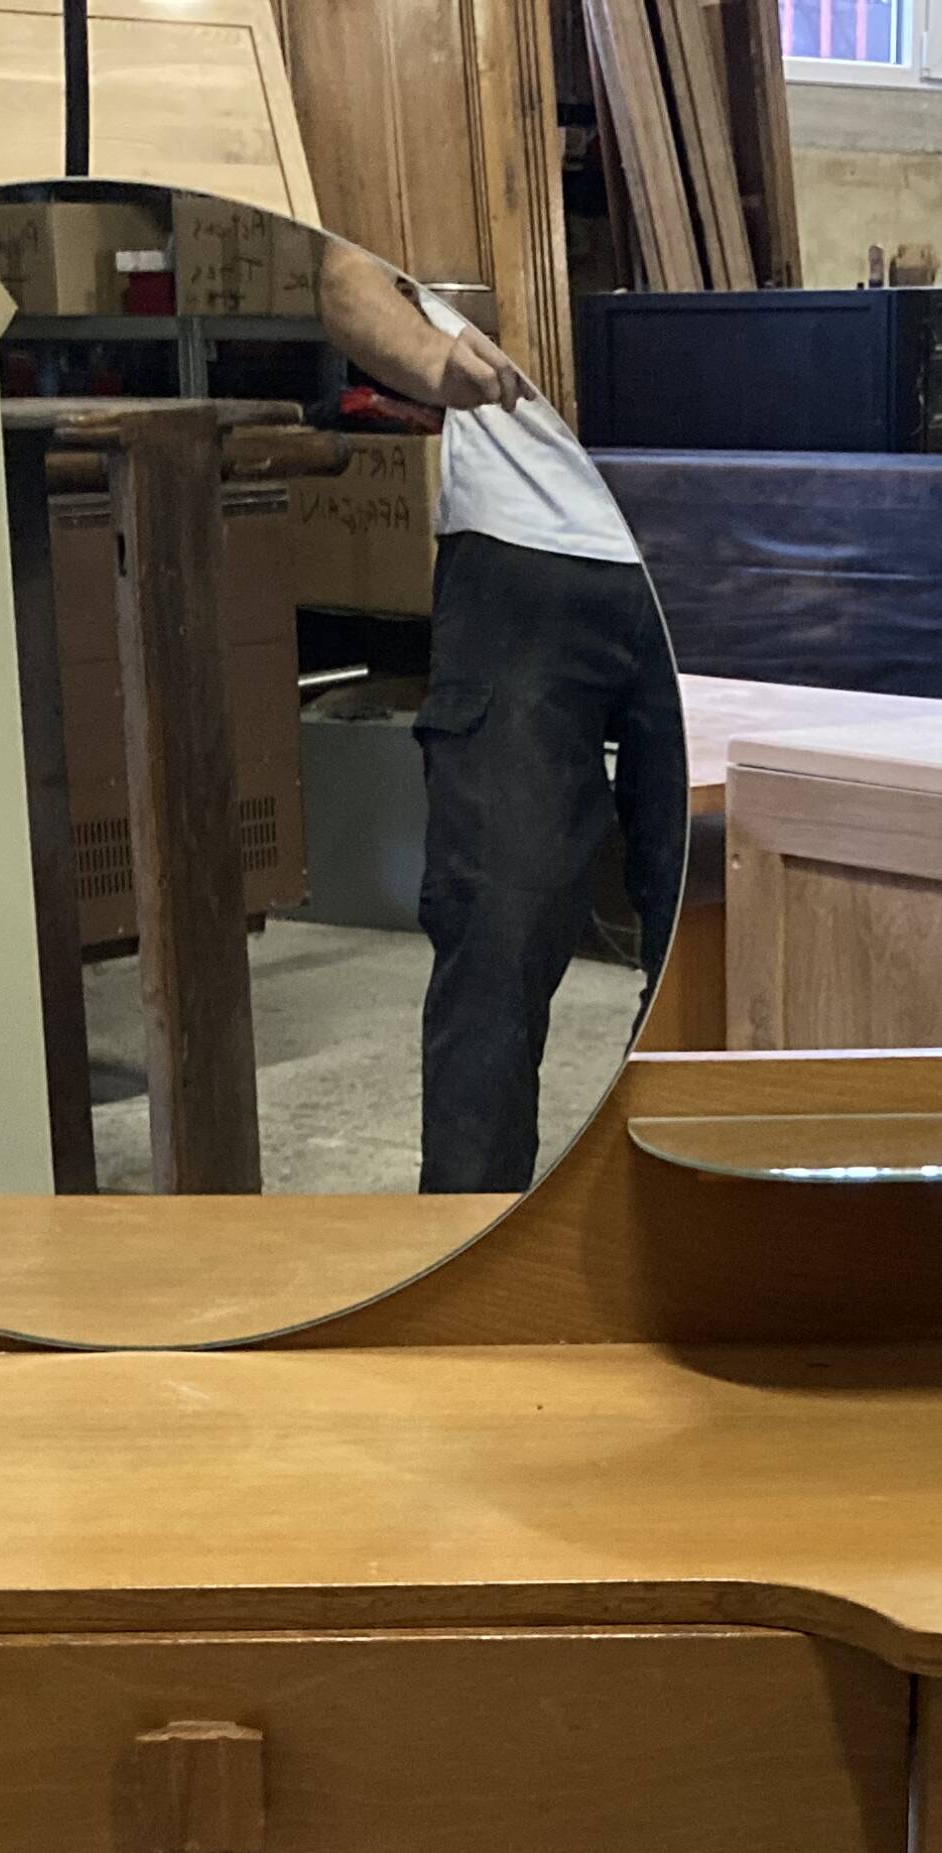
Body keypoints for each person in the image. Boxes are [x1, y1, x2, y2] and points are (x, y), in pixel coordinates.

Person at [318, 241, 683, 1193]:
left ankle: (669, 1236)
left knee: (705, 932)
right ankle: (463, 1264)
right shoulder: (441, 122)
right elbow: (347, 280)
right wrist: (434, 359)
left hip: (707, 539)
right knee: (498, 936)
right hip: (523, 547)